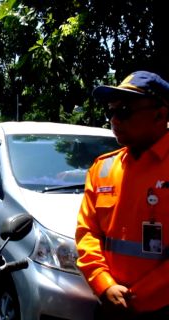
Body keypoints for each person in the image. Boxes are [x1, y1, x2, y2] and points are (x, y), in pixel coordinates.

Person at [75, 70, 169, 320]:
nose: (114, 119)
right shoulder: (101, 169)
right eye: (111, 111)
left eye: (125, 110)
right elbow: (87, 234)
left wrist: (137, 297)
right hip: (109, 304)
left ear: (160, 114)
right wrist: (104, 285)